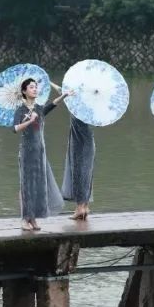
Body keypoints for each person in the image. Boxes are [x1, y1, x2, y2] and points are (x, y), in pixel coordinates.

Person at [13, 78, 68, 232]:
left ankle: (33, 218)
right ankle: (24, 219)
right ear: (24, 91)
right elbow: (15, 128)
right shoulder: (21, 110)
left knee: (38, 185)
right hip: (27, 152)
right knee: (27, 186)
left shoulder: (37, 108)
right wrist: (29, 121)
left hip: (40, 152)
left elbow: (50, 106)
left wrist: (63, 96)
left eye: (36, 87)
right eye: (31, 87)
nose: (35, 89)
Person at [61, 106, 95, 221]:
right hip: (89, 142)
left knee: (78, 173)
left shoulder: (77, 106)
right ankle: (84, 206)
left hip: (78, 142)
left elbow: (68, 100)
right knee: (86, 174)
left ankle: (80, 208)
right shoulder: (91, 108)